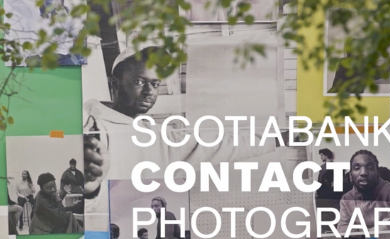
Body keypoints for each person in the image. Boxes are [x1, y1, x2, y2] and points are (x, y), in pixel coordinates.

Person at [82, 46, 279, 214]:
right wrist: (90, 190)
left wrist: (278, 138)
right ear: (114, 84)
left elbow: (221, 145)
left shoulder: (159, 136)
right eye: (139, 82)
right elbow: (81, 205)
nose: (149, 92)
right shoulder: (89, 128)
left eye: (155, 84)